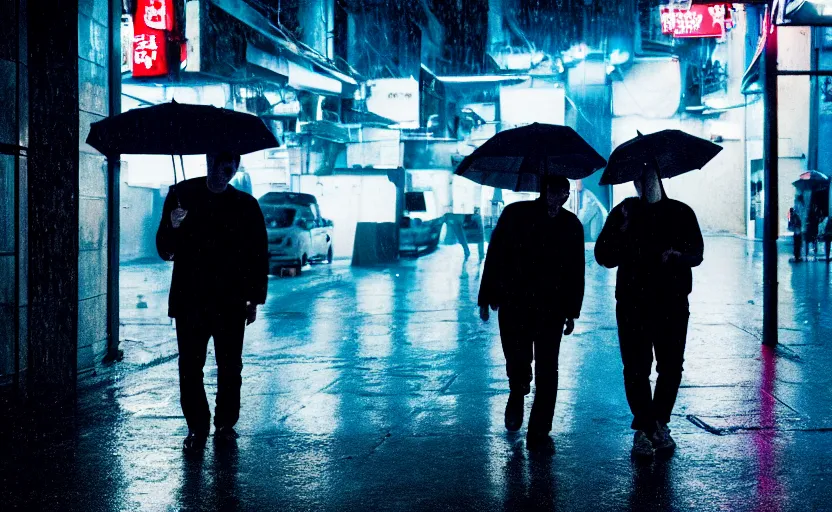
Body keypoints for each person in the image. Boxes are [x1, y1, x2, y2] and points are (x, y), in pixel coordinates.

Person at [156, 152, 269, 452]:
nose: (225, 174)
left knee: (230, 366)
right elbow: (164, 249)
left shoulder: (246, 206)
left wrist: (253, 299)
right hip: (190, 299)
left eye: (230, 168)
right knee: (190, 367)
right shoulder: (181, 196)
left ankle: (225, 424)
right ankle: (197, 426)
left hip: (229, 301)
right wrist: (172, 224)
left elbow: (257, 254)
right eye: (220, 166)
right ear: (209, 162)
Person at [594, 162, 704, 458]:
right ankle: (645, 428)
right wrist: (621, 229)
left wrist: (678, 256)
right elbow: (603, 256)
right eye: (639, 180)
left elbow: (697, 253)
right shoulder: (624, 213)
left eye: (649, 178)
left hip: (672, 303)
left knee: (670, 367)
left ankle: (657, 422)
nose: (644, 185)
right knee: (636, 368)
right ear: (635, 184)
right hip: (633, 304)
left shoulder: (681, 212)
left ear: (660, 179)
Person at [478, 176, 585, 450]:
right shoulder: (516, 214)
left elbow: (576, 271)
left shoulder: (571, 225)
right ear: (544, 190)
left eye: (564, 191)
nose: (558, 196)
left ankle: (539, 428)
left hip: (552, 307)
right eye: (553, 190)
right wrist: (487, 295)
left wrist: (572, 310)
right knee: (517, 357)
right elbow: (496, 254)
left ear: (566, 195)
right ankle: (517, 393)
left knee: (548, 367)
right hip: (516, 303)